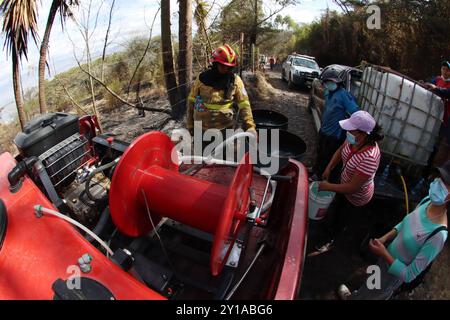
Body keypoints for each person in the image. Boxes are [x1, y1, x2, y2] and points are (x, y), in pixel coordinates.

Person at [338, 160, 450, 300]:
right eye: (440, 177)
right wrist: (385, 238)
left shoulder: (438, 235)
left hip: (392, 274)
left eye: (445, 184)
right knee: (370, 287)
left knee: (375, 294)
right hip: (385, 258)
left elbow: (409, 275)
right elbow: (405, 223)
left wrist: (384, 253)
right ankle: (356, 296)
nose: (438, 182)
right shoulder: (428, 200)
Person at [313, 111, 383, 253]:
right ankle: (329, 226)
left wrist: (328, 186)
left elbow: (352, 188)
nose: (347, 133)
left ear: (363, 134)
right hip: (343, 184)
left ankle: (331, 240)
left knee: (342, 217)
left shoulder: (370, 158)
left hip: (356, 197)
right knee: (336, 206)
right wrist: (329, 167)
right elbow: (341, 150)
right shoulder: (354, 140)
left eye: (351, 130)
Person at [186, 44, 257, 139]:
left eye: (229, 67)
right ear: (215, 64)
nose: (226, 69)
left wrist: (250, 126)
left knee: (223, 154)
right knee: (200, 154)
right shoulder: (202, 79)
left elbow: (244, 104)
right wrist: (190, 125)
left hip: (225, 130)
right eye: (223, 66)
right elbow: (191, 101)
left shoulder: (235, 81)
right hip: (202, 129)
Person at [311, 68, 360, 182]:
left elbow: (355, 112)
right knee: (320, 152)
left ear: (338, 82)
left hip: (334, 134)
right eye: (327, 82)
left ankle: (320, 176)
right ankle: (315, 170)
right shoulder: (328, 92)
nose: (329, 84)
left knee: (327, 156)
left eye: (331, 82)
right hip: (324, 129)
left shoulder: (344, 95)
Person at [425, 60, 450, 167]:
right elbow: (429, 84)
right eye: (443, 69)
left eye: (448, 70)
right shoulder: (437, 79)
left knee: (437, 145)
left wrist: (437, 89)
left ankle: (431, 168)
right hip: (432, 116)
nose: (445, 72)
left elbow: (446, 92)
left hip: (444, 120)